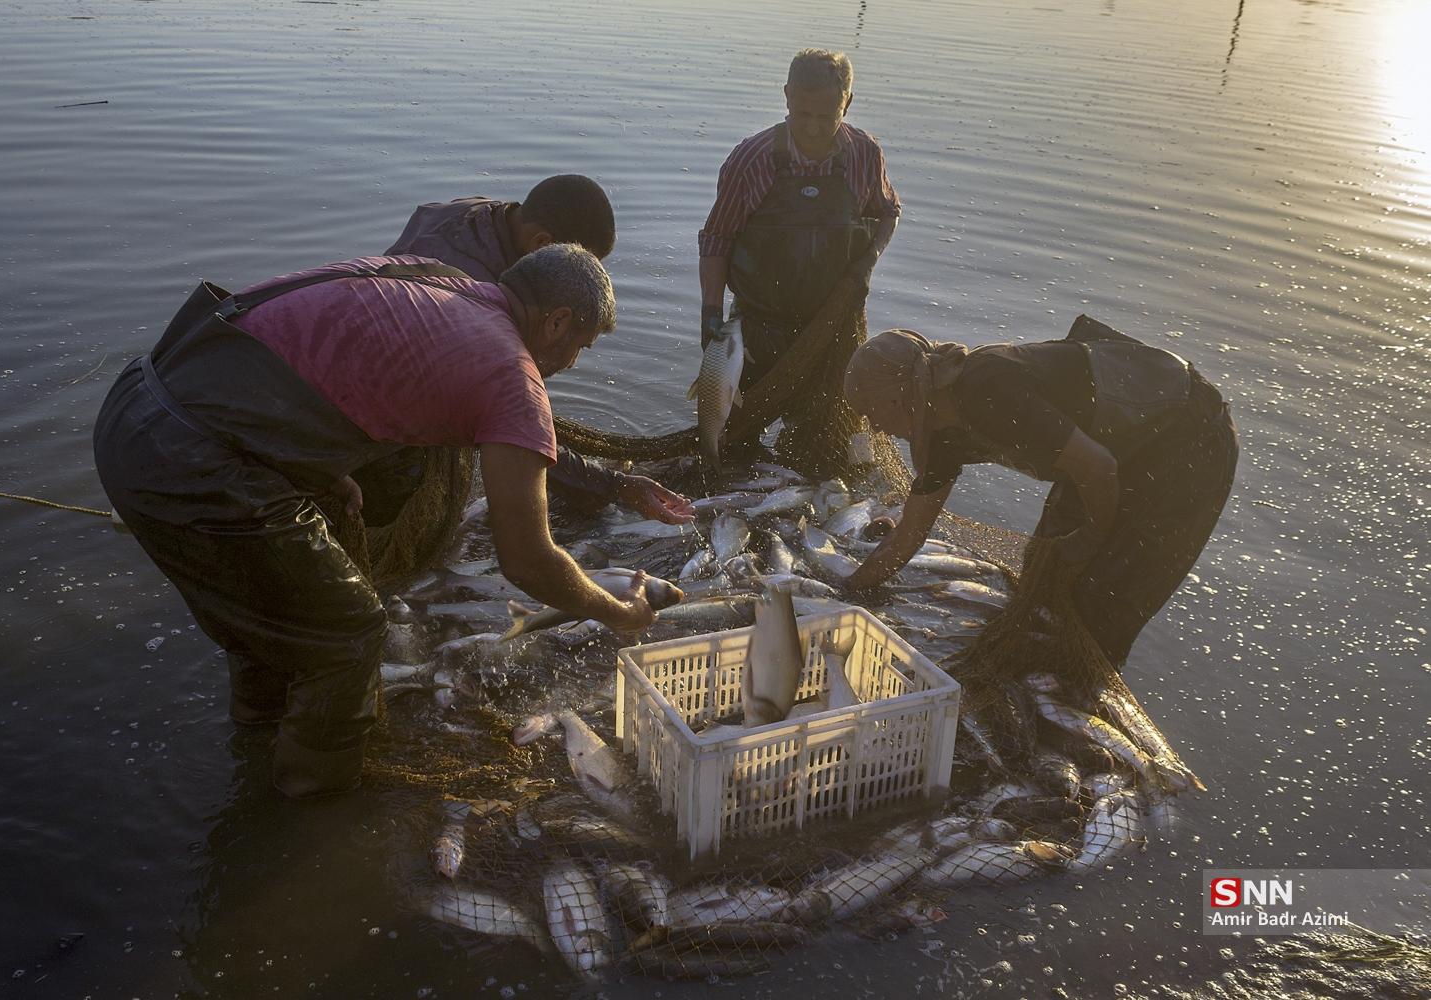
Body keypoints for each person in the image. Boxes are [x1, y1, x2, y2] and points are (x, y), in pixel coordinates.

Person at [94, 245, 663, 797]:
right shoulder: (511, 375)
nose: (572, 362)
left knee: (275, 612)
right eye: (581, 345)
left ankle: (257, 733)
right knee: (348, 631)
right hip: (193, 458)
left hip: (140, 403)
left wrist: (313, 461)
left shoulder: (428, 277)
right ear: (556, 321)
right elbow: (528, 561)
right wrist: (617, 613)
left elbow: (315, 356)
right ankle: (312, 809)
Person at [840, 316, 1238, 668]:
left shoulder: (988, 391)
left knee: (1104, 601)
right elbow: (909, 535)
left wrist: (1092, 536)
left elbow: (1099, 467)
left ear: (898, 395)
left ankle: (1087, 684)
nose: (874, 427)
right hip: (1108, 447)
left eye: (871, 411)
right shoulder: (941, 435)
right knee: (1045, 571)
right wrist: (849, 592)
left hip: (1186, 437)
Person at [381, 173, 692, 524]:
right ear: (542, 243)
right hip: (391, 398)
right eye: (574, 261)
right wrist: (611, 485)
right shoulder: (469, 300)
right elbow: (511, 422)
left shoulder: (486, 217)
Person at [698, 48, 901, 393]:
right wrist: (711, 313)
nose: (812, 128)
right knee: (736, 422)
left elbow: (888, 212)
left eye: (826, 117)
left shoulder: (865, 154)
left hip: (834, 323)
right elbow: (717, 239)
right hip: (758, 325)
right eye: (802, 113)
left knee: (827, 424)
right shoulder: (751, 159)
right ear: (787, 96)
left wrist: (868, 261)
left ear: (847, 104)